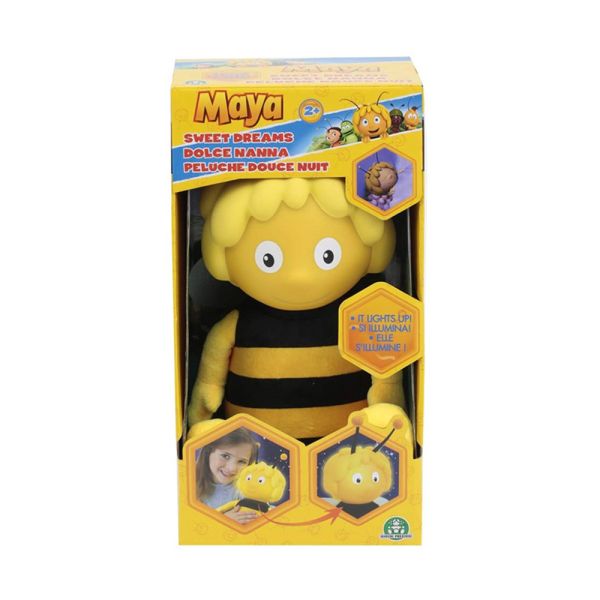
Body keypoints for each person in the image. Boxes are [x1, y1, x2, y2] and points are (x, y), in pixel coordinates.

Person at [195, 428, 259, 523]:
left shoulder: (245, 491)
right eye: (225, 456)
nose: (232, 468)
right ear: (208, 451)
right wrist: (223, 521)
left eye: (242, 461)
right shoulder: (187, 481)